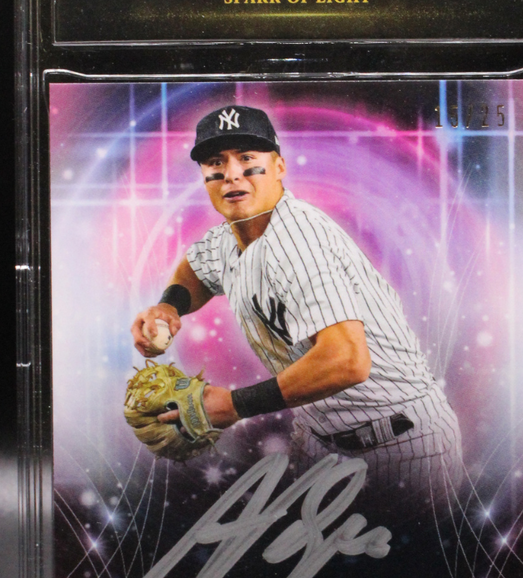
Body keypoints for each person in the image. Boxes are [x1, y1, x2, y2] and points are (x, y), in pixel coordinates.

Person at [131, 105, 462, 500]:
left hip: (401, 442)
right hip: (318, 440)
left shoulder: (298, 242)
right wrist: (169, 307)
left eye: (247, 158)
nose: (232, 173)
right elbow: (196, 269)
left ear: (279, 167)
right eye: (216, 162)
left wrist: (233, 405)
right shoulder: (230, 237)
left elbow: (347, 361)